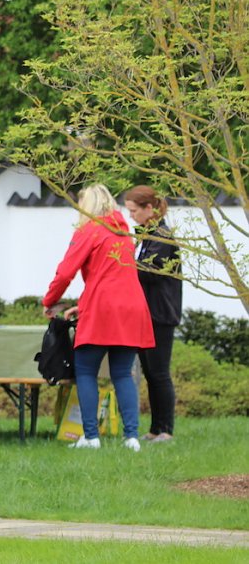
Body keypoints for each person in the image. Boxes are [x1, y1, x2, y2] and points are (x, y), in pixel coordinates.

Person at [43, 183, 154, 452]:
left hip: (102, 308)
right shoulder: (123, 233)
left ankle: (91, 436)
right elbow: (112, 275)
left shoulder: (89, 230)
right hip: (131, 307)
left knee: (85, 371)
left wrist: (49, 301)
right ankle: (131, 438)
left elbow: (66, 272)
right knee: (122, 373)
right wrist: (81, 305)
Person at [124, 185, 182, 443]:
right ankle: (155, 428)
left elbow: (151, 272)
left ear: (149, 208)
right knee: (149, 373)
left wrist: (122, 261)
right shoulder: (147, 235)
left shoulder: (162, 236)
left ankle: (166, 429)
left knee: (159, 373)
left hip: (160, 313)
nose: (131, 216)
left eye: (134, 211)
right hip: (147, 313)